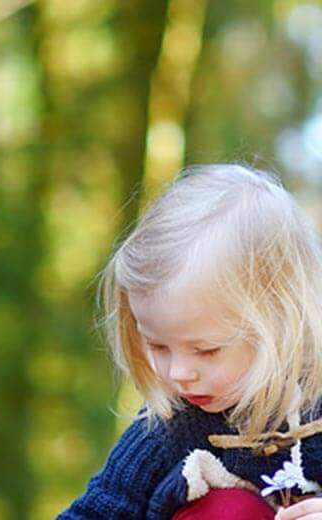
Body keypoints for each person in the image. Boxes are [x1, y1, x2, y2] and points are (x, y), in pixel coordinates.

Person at [58, 164, 322, 519]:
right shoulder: (171, 425)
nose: (178, 373)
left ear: (280, 324)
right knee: (230, 510)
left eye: (206, 350)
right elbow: (97, 511)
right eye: (157, 346)